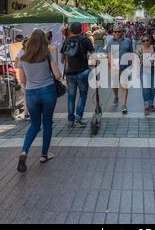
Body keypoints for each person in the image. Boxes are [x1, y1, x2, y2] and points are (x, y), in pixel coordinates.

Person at [17, 29, 62, 173]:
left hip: (31, 93)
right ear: (44, 41)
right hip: (48, 91)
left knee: (34, 125)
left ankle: (24, 151)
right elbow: (58, 75)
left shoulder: (23, 58)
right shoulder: (47, 55)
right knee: (47, 123)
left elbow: (22, 81)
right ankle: (44, 155)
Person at [61, 22, 95, 127]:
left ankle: (70, 120)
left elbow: (63, 59)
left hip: (70, 73)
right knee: (83, 95)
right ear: (81, 30)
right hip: (83, 71)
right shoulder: (85, 40)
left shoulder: (66, 41)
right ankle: (79, 118)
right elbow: (93, 53)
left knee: (71, 96)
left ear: (70, 30)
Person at [107, 26, 133, 114]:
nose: (117, 33)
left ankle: (124, 105)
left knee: (124, 86)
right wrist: (111, 66)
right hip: (115, 67)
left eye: (119, 31)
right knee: (114, 85)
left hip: (125, 67)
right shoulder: (110, 42)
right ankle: (116, 97)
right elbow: (109, 55)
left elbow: (131, 53)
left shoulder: (128, 41)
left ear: (122, 32)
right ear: (113, 33)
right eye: (115, 32)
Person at [138, 34, 155, 115]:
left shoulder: (154, 48)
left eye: (147, 40)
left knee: (152, 88)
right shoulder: (139, 49)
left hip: (154, 70)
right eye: (143, 41)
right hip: (143, 70)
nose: (145, 42)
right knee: (145, 88)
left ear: (150, 41)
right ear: (141, 42)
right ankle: (146, 106)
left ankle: (151, 104)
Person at [15, 37, 30, 121]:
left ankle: (26, 113)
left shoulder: (20, 52)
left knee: (26, 95)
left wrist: (21, 67)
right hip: (31, 76)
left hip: (23, 75)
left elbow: (15, 65)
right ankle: (28, 113)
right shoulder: (33, 53)